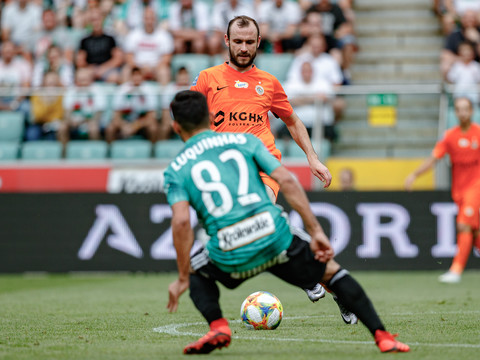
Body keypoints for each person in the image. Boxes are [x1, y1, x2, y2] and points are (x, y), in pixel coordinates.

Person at [165, 90, 410, 355]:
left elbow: (181, 223)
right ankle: (383, 336)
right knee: (333, 272)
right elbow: (288, 181)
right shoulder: (245, 141)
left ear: (175, 126)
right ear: (211, 117)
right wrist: (315, 230)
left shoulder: (177, 168)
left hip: (230, 250)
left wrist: (180, 277)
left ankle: (218, 326)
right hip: (274, 236)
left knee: (195, 270)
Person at [190, 15, 341, 319]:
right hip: (225, 174)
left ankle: (321, 279)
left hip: (262, 167)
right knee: (255, 235)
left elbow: (292, 120)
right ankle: (331, 284)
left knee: (262, 219)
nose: (243, 48)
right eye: (238, 42)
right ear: (226, 41)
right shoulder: (207, 79)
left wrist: (312, 157)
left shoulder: (269, 82)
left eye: (249, 42)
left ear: (258, 43)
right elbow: (187, 119)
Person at [405, 97, 480, 283]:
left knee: (463, 224)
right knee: (475, 230)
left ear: (471, 111)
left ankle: (456, 270)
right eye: (458, 109)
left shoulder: (478, 133)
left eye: (465, 109)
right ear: (455, 112)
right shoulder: (449, 136)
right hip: (459, 190)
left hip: (476, 187)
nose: (462, 113)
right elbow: (433, 159)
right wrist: (414, 175)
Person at [106, 67, 159, 143]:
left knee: (153, 127)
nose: (136, 77)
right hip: (125, 121)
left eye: (138, 75)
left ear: (142, 76)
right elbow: (116, 115)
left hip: (142, 123)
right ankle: (109, 152)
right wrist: (124, 125)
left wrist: (135, 126)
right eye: (134, 75)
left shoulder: (149, 90)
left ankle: (153, 151)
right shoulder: (122, 90)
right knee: (110, 128)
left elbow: (151, 115)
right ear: (130, 76)